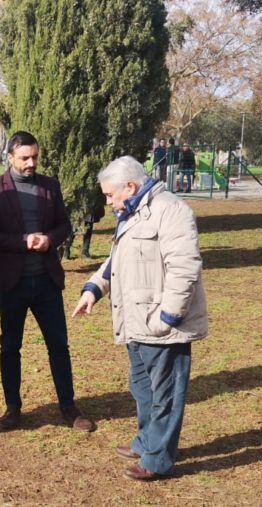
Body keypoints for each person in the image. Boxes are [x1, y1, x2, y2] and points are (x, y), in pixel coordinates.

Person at [72, 155, 207, 481]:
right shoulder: (133, 213)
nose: (107, 201)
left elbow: (185, 267)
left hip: (161, 326)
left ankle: (158, 459)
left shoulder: (170, 211)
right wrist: (94, 289)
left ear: (130, 186)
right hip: (136, 323)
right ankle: (147, 441)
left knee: (165, 396)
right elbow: (118, 259)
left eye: (109, 195)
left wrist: (168, 317)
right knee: (142, 389)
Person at [0, 131, 94, 432]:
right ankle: (12, 408)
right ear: (10, 157)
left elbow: (64, 225)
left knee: (59, 345)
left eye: (35, 157)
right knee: (10, 346)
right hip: (11, 283)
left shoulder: (49, 186)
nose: (31, 163)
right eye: (25, 158)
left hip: (46, 281)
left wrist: (49, 239)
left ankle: (68, 406)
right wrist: (22, 240)